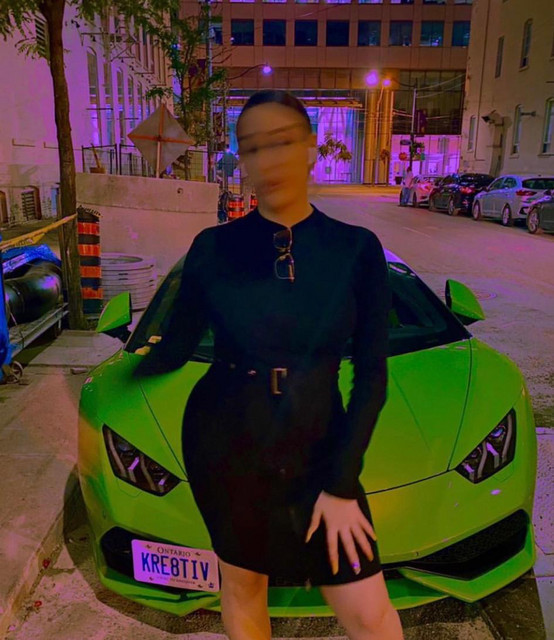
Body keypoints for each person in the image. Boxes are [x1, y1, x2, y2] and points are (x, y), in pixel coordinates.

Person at [135, 89, 403, 640]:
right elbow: (176, 345)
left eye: (282, 142)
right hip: (226, 443)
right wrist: (125, 367)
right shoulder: (212, 247)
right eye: (253, 147)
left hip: (318, 443)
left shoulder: (356, 248)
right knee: (243, 587)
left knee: (370, 613)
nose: (268, 160)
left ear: (311, 149)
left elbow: (372, 376)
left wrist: (341, 483)